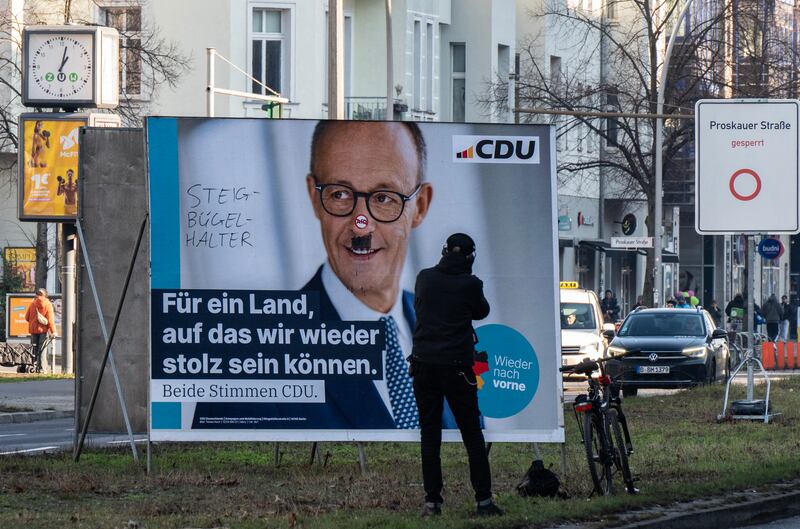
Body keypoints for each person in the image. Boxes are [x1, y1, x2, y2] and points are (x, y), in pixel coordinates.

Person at [300, 120, 436, 429]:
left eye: (384, 197)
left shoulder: (447, 328)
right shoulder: (254, 356)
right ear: (314, 197)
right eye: (340, 195)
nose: (361, 224)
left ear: (420, 206)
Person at [410, 233, 501, 517]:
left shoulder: (424, 278)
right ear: (470, 257)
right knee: (472, 435)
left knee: (430, 436)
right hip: (458, 368)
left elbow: (422, 308)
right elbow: (482, 311)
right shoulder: (470, 284)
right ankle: (483, 501)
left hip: (424, 365)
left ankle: (432, 502)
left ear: (444, 251)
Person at [24, 288, 56, 372]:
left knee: (33, 350)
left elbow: (26, 318)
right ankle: (42, 369)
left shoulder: (32, 304)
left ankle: (33, 368)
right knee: (42, 350)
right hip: (43, 331)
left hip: (33, 331)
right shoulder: (48, 304)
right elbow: (50, 320)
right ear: (46, 295)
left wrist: (33, 322)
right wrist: (53, 331)